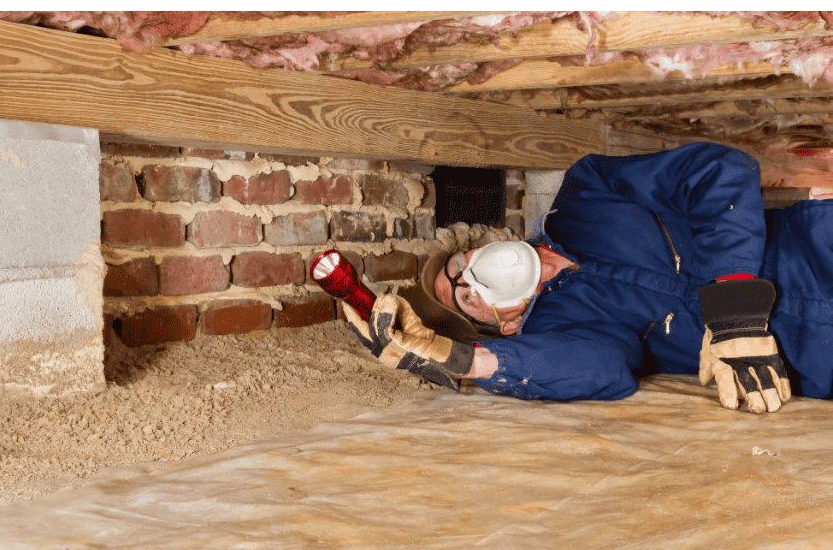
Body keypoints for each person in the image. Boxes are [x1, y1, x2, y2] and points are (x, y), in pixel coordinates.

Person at [344, 142, 833, 413]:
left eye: (460, 265)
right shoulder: (560, 331)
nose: (472, 276)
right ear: (505, 324)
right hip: (812, 356)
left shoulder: (586, 191)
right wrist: (463, 360)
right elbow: (602, 372)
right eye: (467, 297)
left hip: (817, 250)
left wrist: (734, 308)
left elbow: (718, 171)